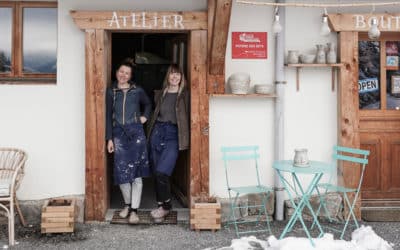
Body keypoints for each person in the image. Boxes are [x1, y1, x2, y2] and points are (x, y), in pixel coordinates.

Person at [105, 58, 152, 224]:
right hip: (119, 135)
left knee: (136, 174)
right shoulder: (111, 91)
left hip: (136, 134)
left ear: (130, 75)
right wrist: (109, 138)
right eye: (121, 72)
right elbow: (107, 117)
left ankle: (134, 210)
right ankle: (127, 204)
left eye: (127, 73)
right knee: (122, 173)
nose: (123, 75)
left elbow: (148, 104)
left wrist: (145, 117)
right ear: (116, 72)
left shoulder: (137, 90)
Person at [147, 64, 190, 222]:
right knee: (156, 172)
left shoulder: (185, 95)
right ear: (168, 76)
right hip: (157, 133)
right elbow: (152, 112)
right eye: (172, 74)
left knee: (162, 172)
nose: (174, 77)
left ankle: (166, 207)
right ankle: (162, 205)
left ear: (181, 77)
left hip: (173, 135)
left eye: (177, 74)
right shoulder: (161, 93)